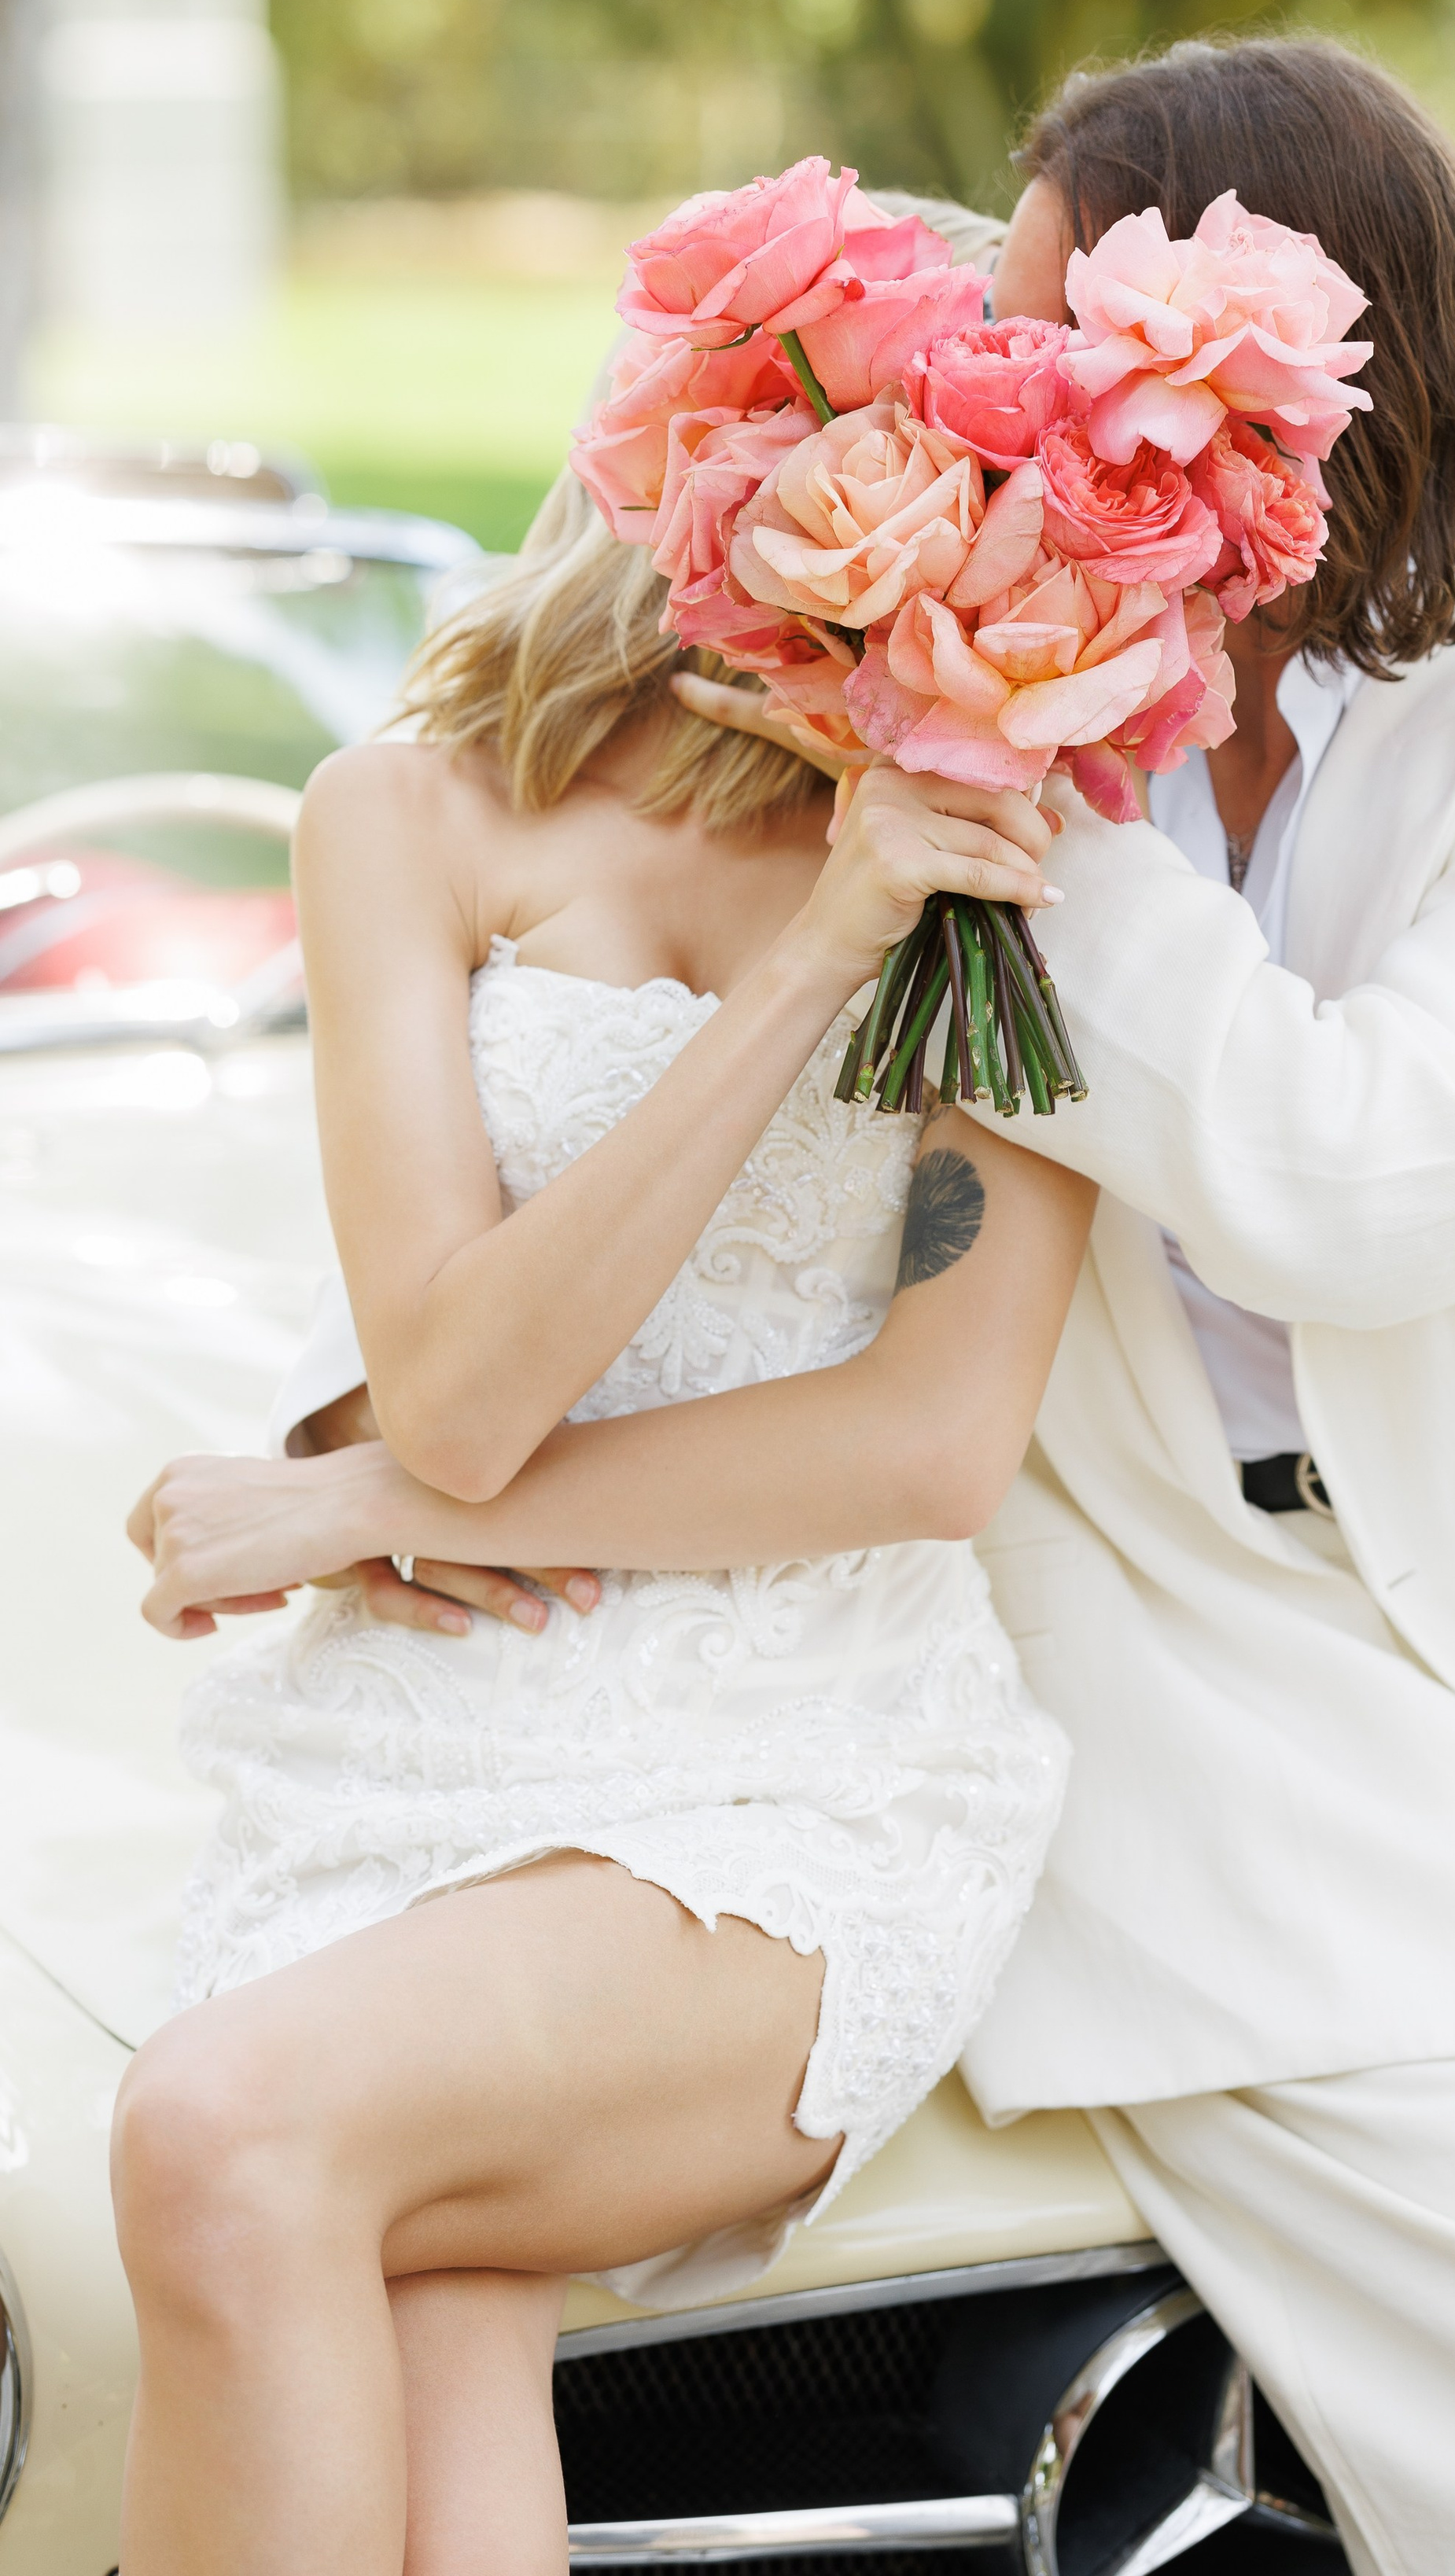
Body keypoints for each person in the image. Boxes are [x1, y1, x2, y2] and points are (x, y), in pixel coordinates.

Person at [138, 36, 1455, 2576]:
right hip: (1165, 1694)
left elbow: (1364, 1184)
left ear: (1253, 387)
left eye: (1045, 359)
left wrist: (1022, 772)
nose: (990, 418)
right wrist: (384, 1448)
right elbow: (658, 1277)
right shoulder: (817, 777)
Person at [114, 495, 1091, 2576]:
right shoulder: (409, 810)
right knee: (420, 2340)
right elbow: (463, 1391)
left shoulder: (1026, 866)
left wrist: (354, 1492)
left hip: (797, 1760)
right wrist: (819, 947)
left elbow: (927, 1448)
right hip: (402, 1750)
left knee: (223, 2130)